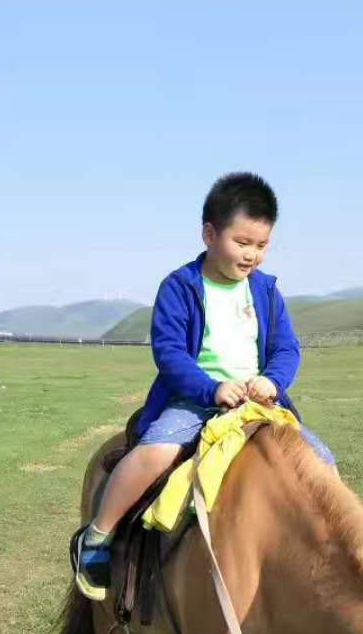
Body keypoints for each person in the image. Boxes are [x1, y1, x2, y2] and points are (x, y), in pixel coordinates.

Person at [73, 171, 335, 600]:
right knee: (154, 453)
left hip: (257, 403)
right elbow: (170, 354)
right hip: (196, 402)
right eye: (243, 242)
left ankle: (327, 554)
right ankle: (99, 537)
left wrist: (271, 381)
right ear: (209, 234)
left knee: (322, 461)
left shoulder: (267, 292)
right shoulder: (181, 287)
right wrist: (210, 389)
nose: (253, 255)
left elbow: (287, 349)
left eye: (262, 245)